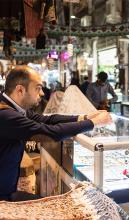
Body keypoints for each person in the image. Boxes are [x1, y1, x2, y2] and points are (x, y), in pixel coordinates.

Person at [0, 65, 112, 201]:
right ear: (20, 90)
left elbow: (47, 120)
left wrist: (84, 117)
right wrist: (94, 123)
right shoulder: (6, 115)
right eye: (38, 88)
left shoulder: (13, 108)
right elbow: (49, 133)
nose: (41, 93)